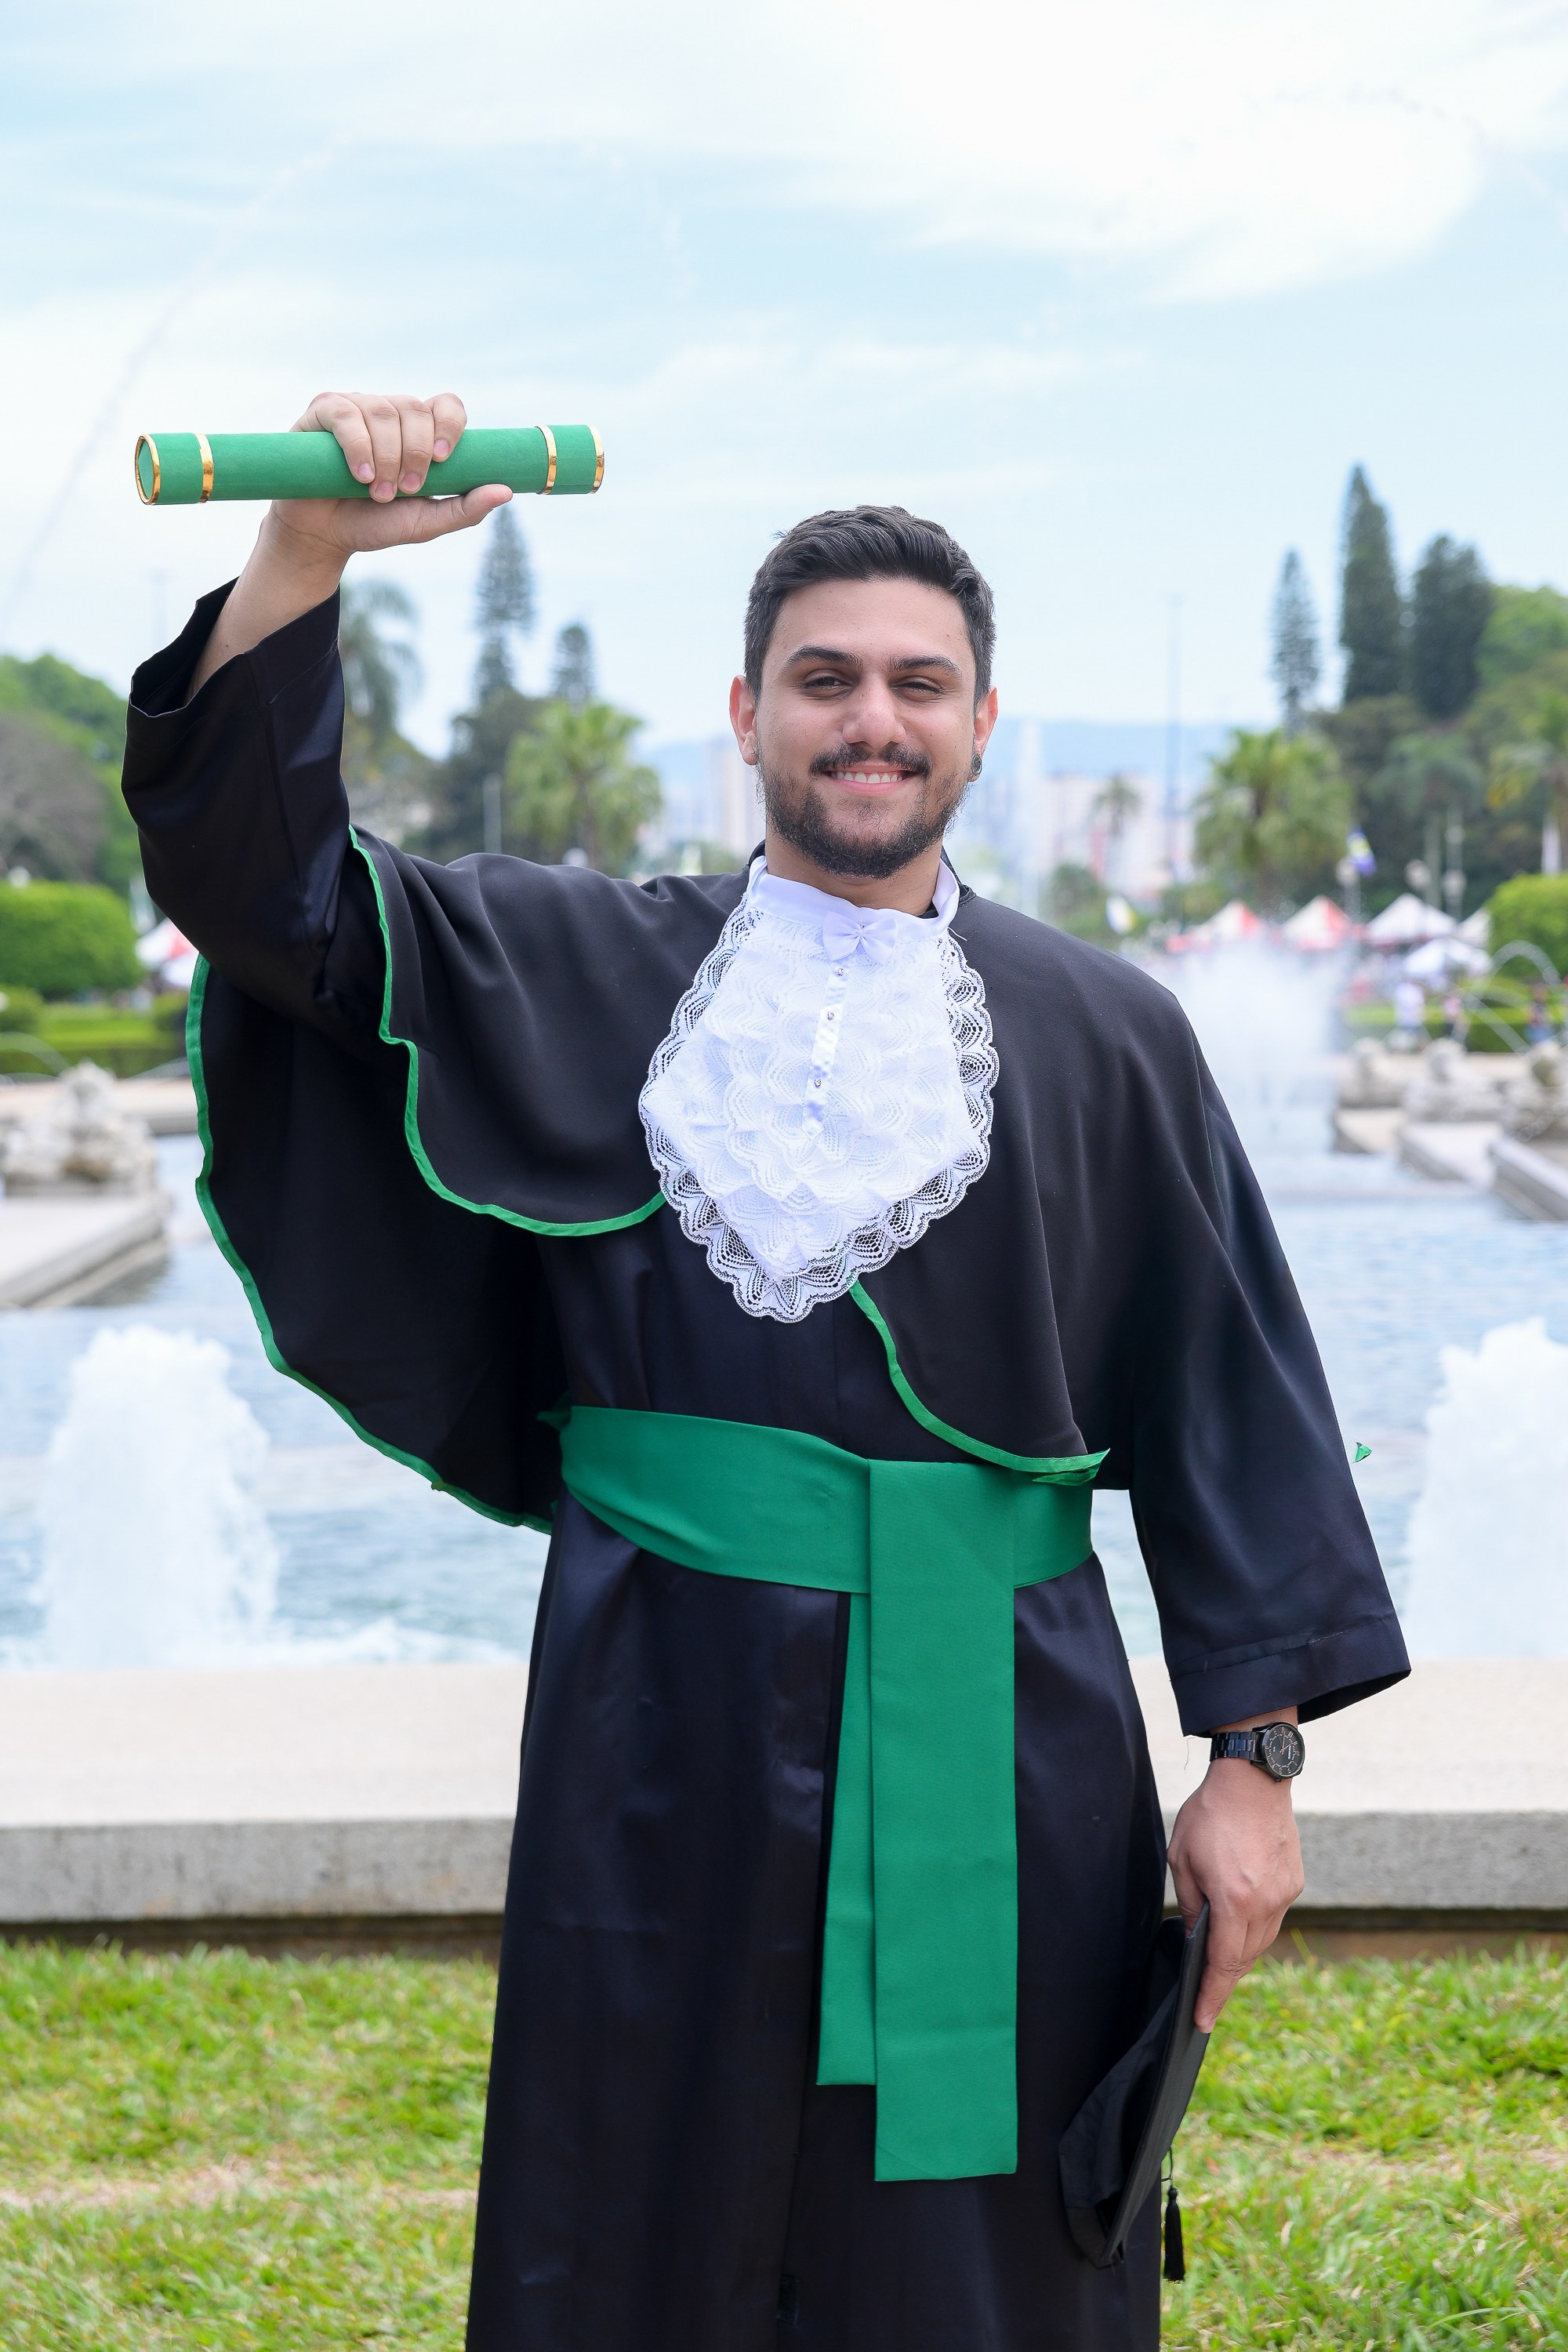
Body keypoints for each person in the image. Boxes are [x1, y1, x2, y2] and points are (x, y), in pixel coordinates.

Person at [122, 391, 1408, 2352]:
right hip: (660, 1706)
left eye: (917, 684)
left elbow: (1231, 1396)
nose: (868, 719)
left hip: (1005, 1720)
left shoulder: (1110, 1030)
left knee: (974, 2243)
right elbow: (272, 902)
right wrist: (309, 556)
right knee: (633, 2208)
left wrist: (1252, 1762)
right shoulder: (575, 964)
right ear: (746, 718)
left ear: (980, 723)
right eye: (821, 679)